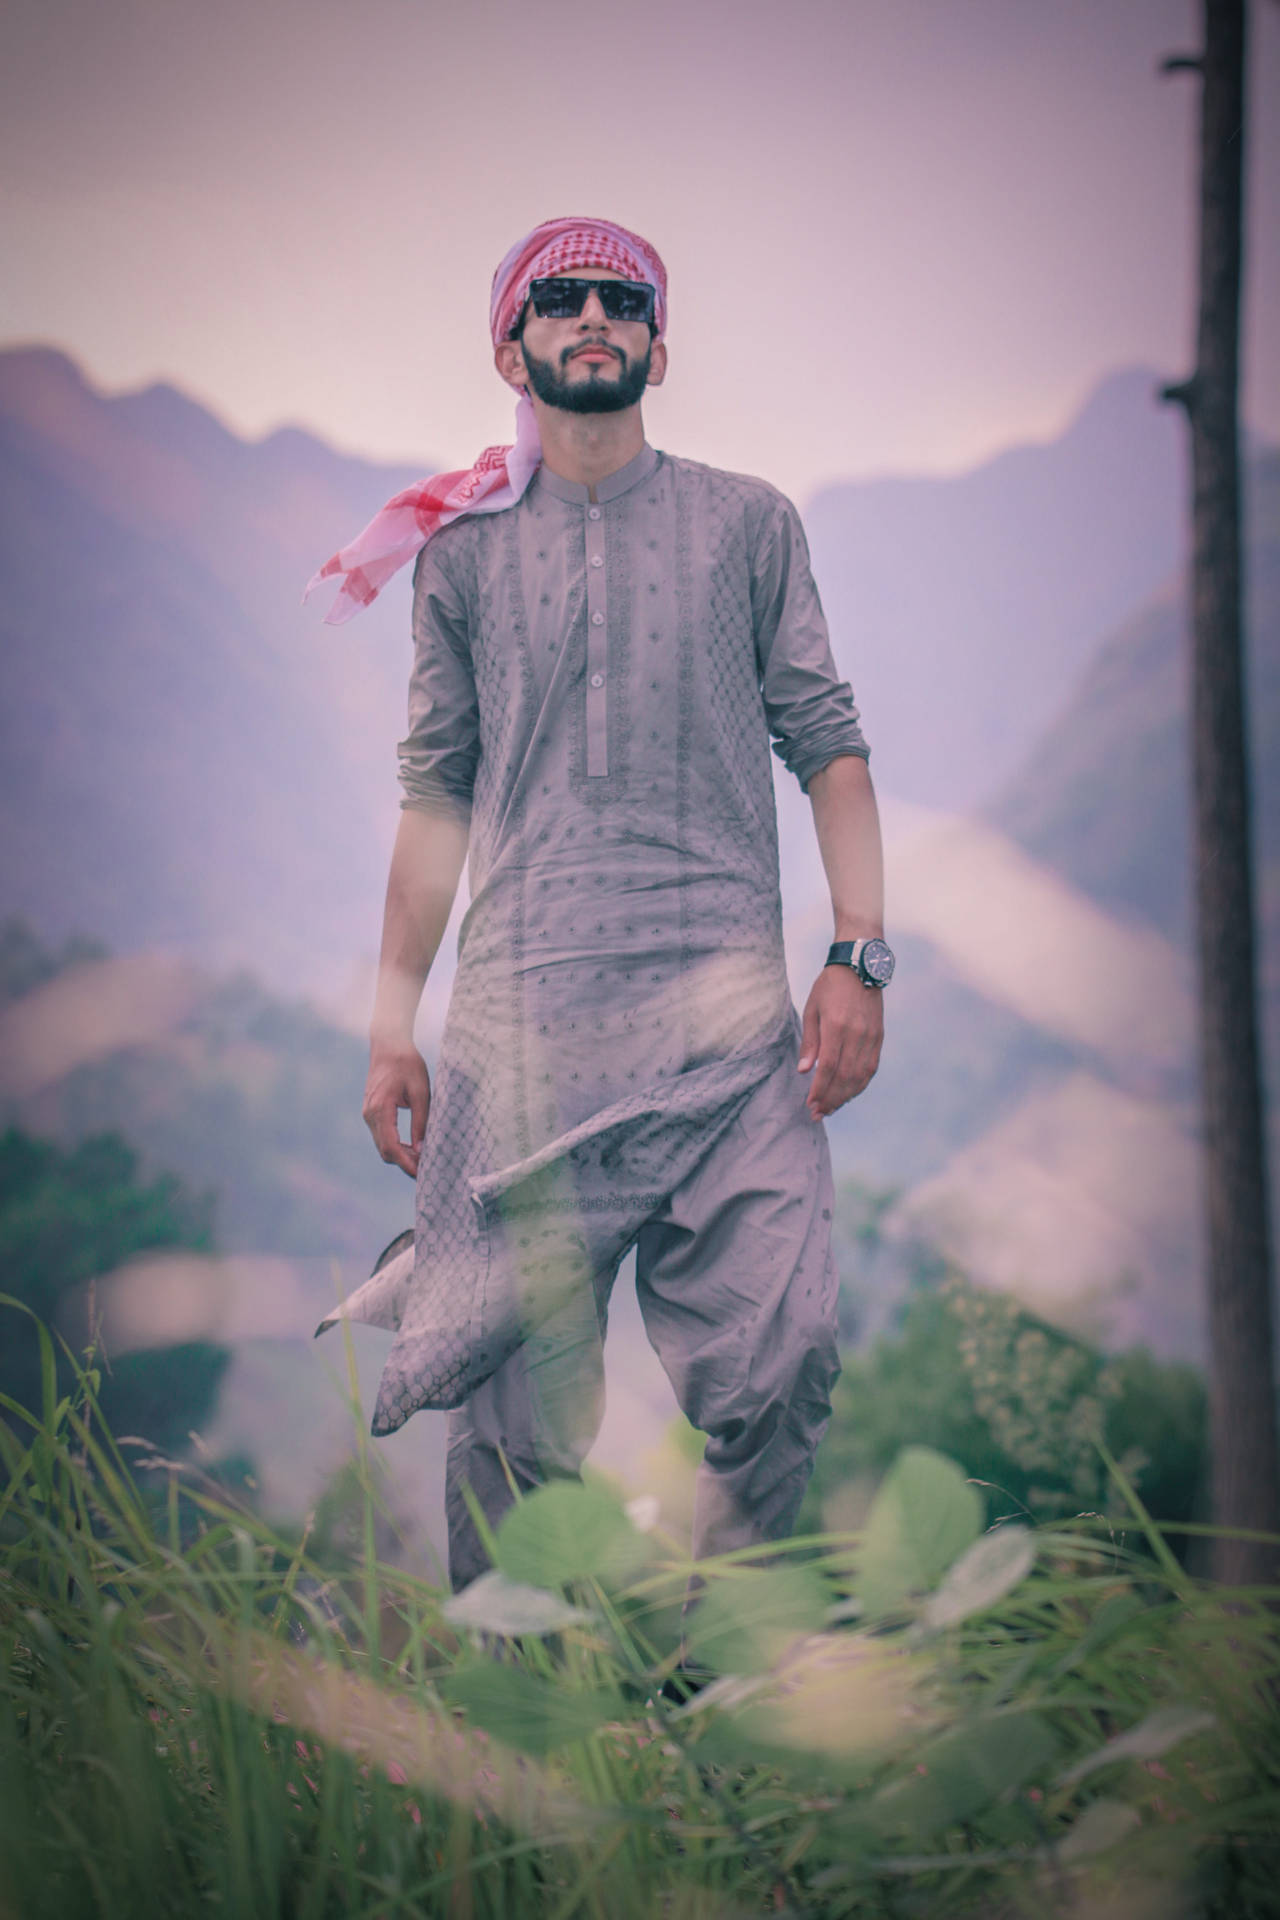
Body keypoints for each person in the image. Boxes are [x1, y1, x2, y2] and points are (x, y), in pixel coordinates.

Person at [309, 216, 892, 1592]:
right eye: (558, 300)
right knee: (514, 1437)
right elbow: (432, 795)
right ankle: (527, 1757)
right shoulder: (458, 559)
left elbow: (831, 743)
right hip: (525, 1041)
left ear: (659, 345)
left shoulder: (751, 524)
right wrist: (395, 1026)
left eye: (619, 301)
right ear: (508, 341)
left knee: (785, 1355)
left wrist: (858, 956)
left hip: (732, 1035)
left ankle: (727, 1716)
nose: (591, 319)